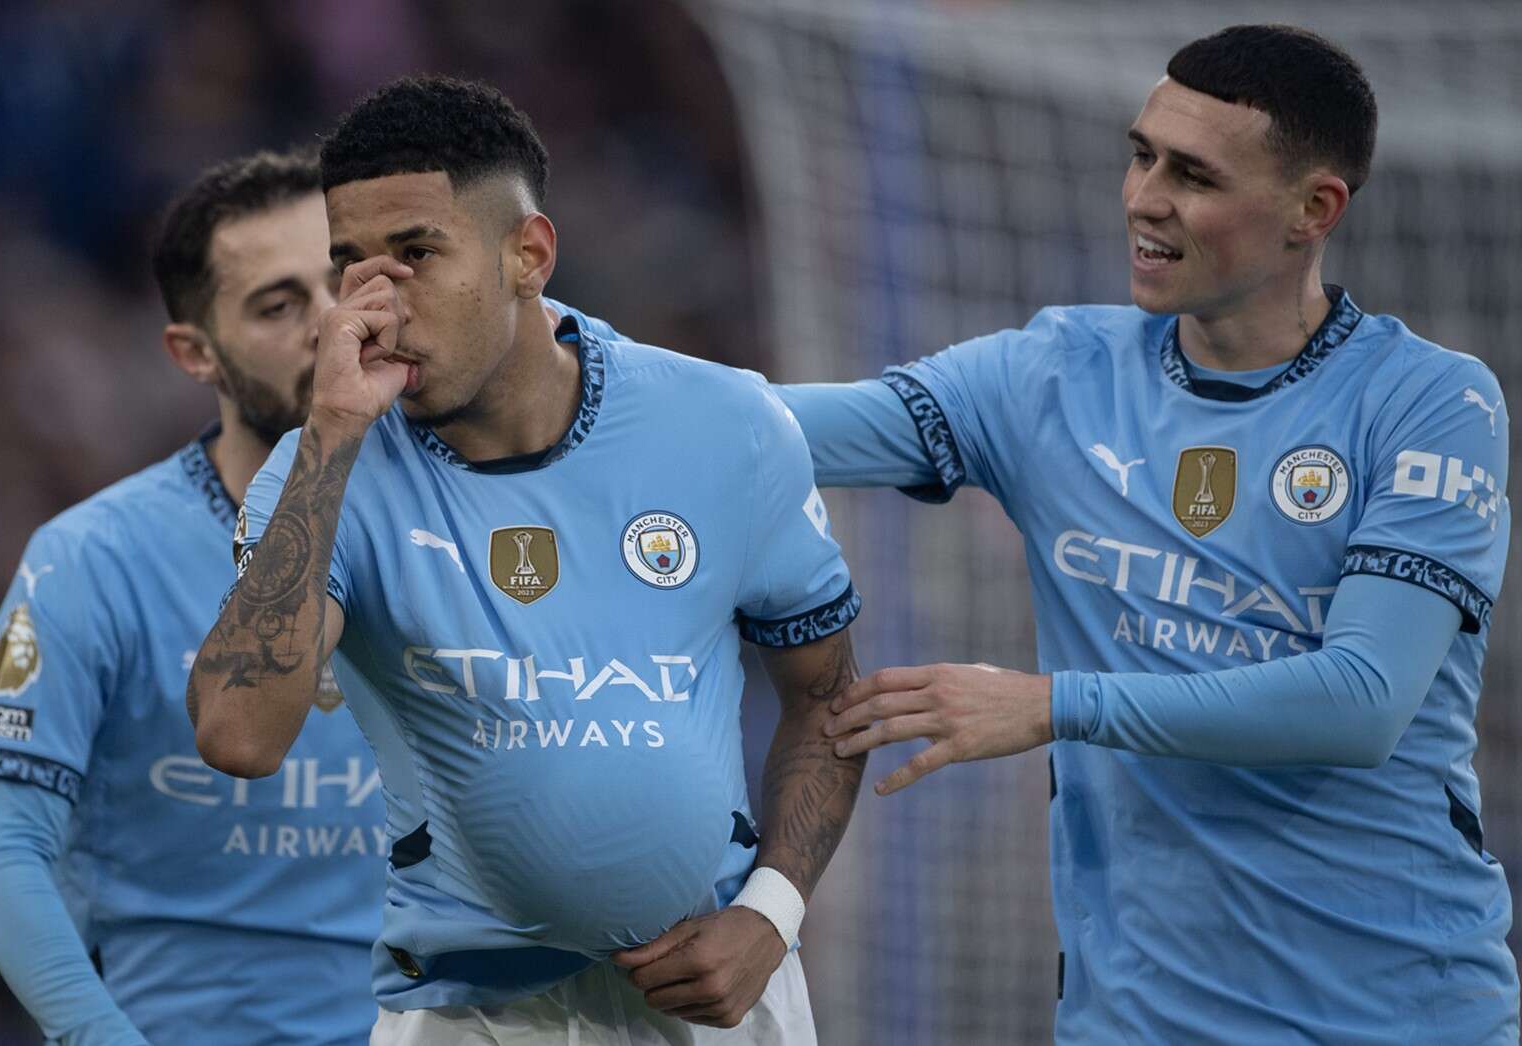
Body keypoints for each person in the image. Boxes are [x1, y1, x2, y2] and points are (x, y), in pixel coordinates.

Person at [779, 23, 1518, 1043]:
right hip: (1136, 1021)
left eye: (1194, 175)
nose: (1144, 198)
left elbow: (1361, 700)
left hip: (1396, 1014)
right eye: (1141, 155)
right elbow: (764, 432)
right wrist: (560, 361)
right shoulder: (1048, 376)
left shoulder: (1427, 403)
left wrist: (1053, 704)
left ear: (1314, 209)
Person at [187, 76, 864, 1044]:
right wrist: (330, 436)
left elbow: (829, 695)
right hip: (466, 1015)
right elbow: (236, 734)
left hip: (719, 999)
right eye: (352, 266)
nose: (376, 304)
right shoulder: (326, 470)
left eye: (416, 254)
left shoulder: (729, 425)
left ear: (528, 255)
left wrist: (773, 911)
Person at [0, 150, 388, 1045]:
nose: (329, 328)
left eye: (340, 285)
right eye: (279, 304)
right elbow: (0, 854)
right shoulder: (94, 557)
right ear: (195, 353)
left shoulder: (457, 530)